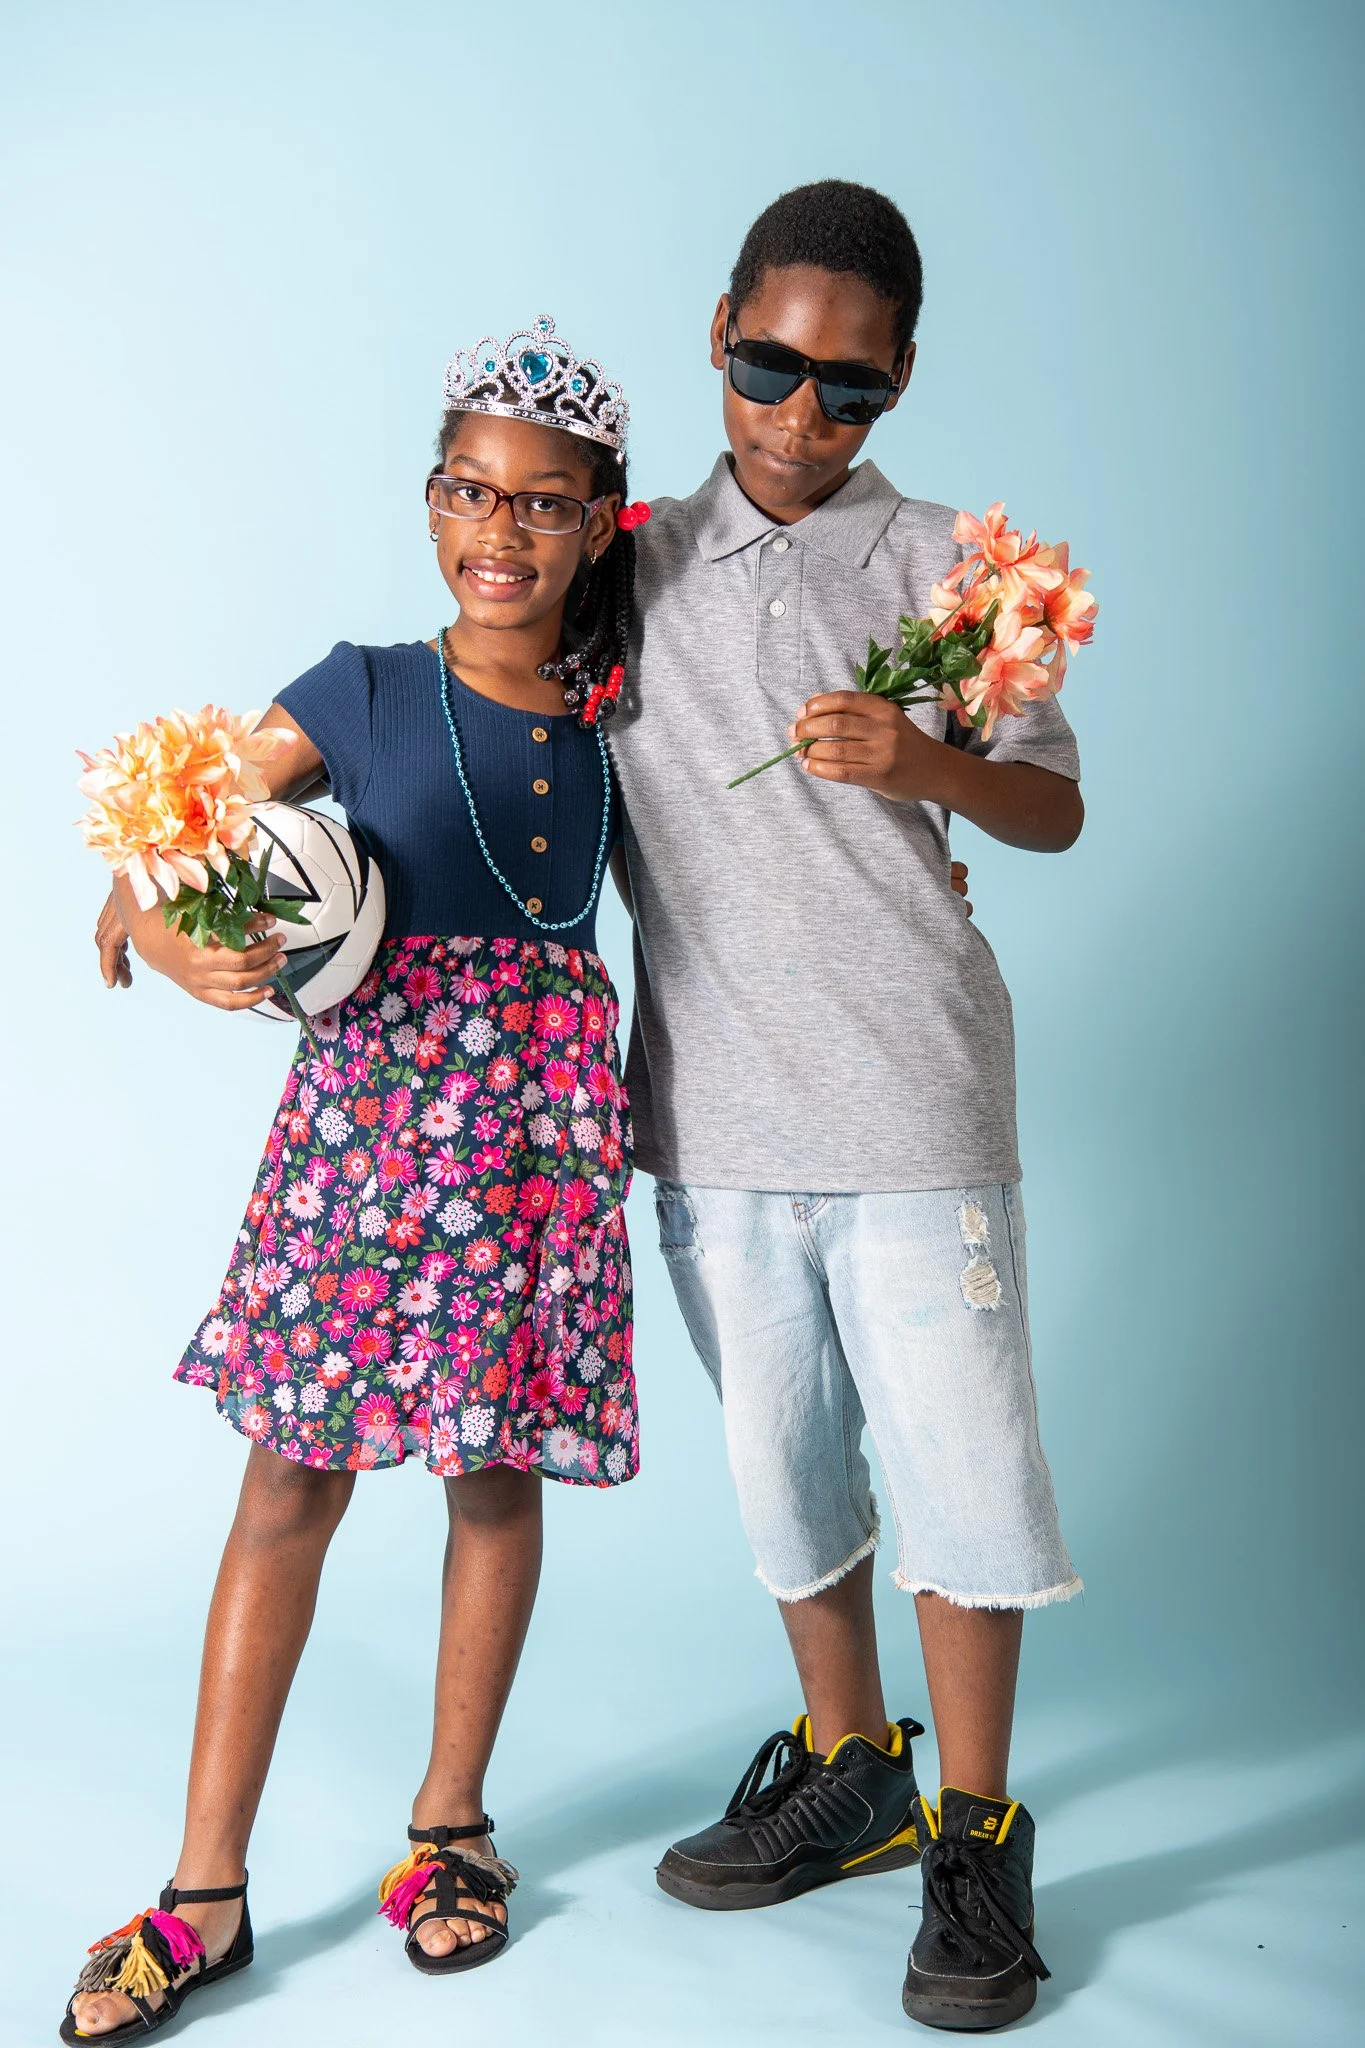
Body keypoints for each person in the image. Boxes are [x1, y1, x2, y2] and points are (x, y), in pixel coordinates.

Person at [63, 318, 641, 2041]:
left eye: (544, 504)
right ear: (430, 498)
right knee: (289, 1488)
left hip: (540, 1141)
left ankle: (449, 1827)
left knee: (492, 1477)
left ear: (602, 524)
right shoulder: (361, 688)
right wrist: (169, 941)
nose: (502, 529)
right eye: (471, 489)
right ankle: (204, 1892)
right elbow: (154, 844)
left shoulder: (625, 709)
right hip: (372, 1142)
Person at [608, 181, 1082, 2032]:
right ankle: (853, 1768)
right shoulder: (624, 559)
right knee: (789, 1474)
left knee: (964, 1490)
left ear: (898, 384)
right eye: (767, 368)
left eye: (848, 391)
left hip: (912, 1103)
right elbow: (463, 677)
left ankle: (976, 1833)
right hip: (712, 1112)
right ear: (719, 328)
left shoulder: (962, 570)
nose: (799, 420)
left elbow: (1050, 809)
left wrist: (930, 763)